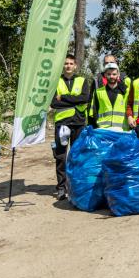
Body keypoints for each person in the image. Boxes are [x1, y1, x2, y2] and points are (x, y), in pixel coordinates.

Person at [50, 54, 90, 200]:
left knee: (77, 155)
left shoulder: (82, 80)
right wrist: (74, 100)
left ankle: (76, 186)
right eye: (66, 63)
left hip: (78, 123)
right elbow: (54, 103)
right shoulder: (56, 82)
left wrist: (64, 97)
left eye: (71, 63)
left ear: (75, 66)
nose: (68, 66)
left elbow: (84, 98)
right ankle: (61, 188)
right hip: (62, 123)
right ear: (63, 65)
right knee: (61, 156)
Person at [89, 62, 129, 129]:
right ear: (105, 75)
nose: (111, 76)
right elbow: (93, 112)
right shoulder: (98, 92)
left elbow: (129, 109)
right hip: (103, 129)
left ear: (118, 74)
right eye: (109, 74)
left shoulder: (125, 91)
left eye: (114, 74)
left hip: (120, 130)